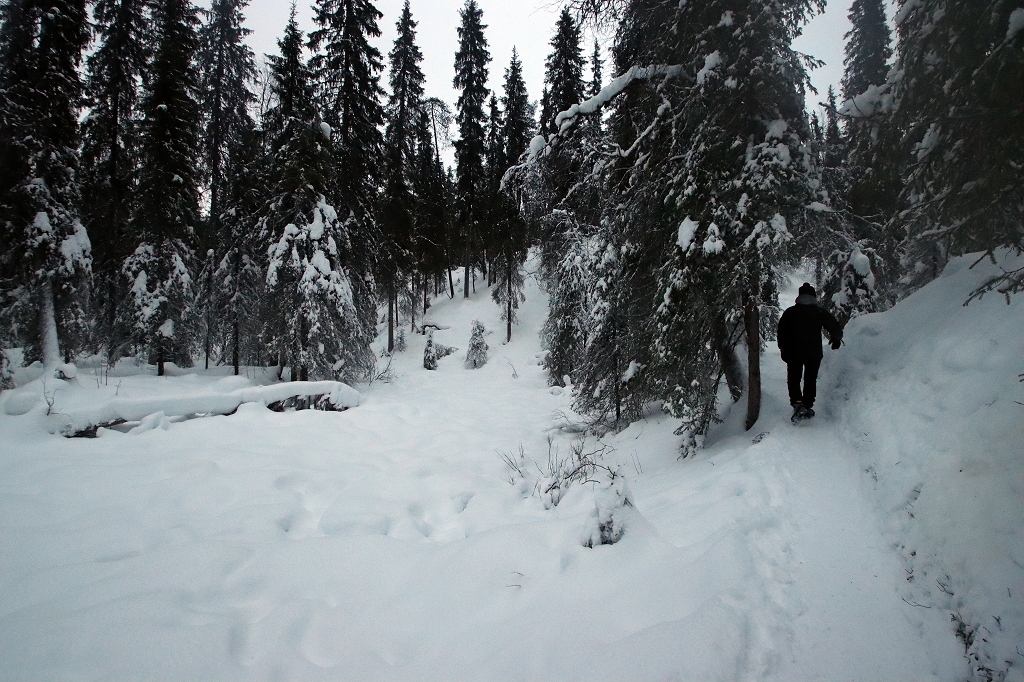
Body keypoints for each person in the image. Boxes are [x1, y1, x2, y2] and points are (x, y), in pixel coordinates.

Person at [777, 282, 843, 420]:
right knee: (810, 379)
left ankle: (797, 402)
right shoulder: (819, 312)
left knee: (794, 378)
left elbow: (781, 331)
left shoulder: (790, 312)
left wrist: (782, 347)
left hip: (793, 352)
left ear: (799, 296)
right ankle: (807, 405)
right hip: (813, 353)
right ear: (813, 297)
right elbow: (834, 326)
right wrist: (836, 339)